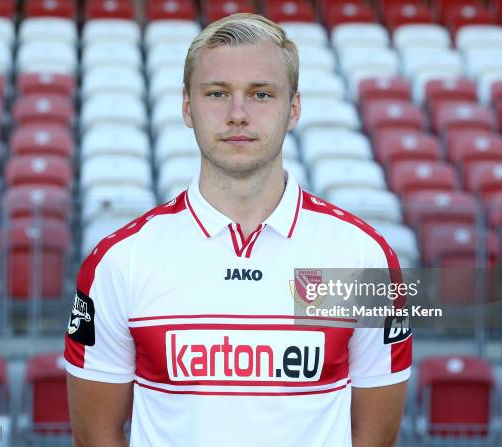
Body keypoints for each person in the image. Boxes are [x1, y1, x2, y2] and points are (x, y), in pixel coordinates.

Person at [65, 13, 412, 447]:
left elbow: (376, 436)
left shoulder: (363, 259)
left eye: (261, 94)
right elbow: (96, 434)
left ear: (295, 108)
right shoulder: (121, 261)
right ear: (188, 108)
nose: (237, 114)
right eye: (217, 93)